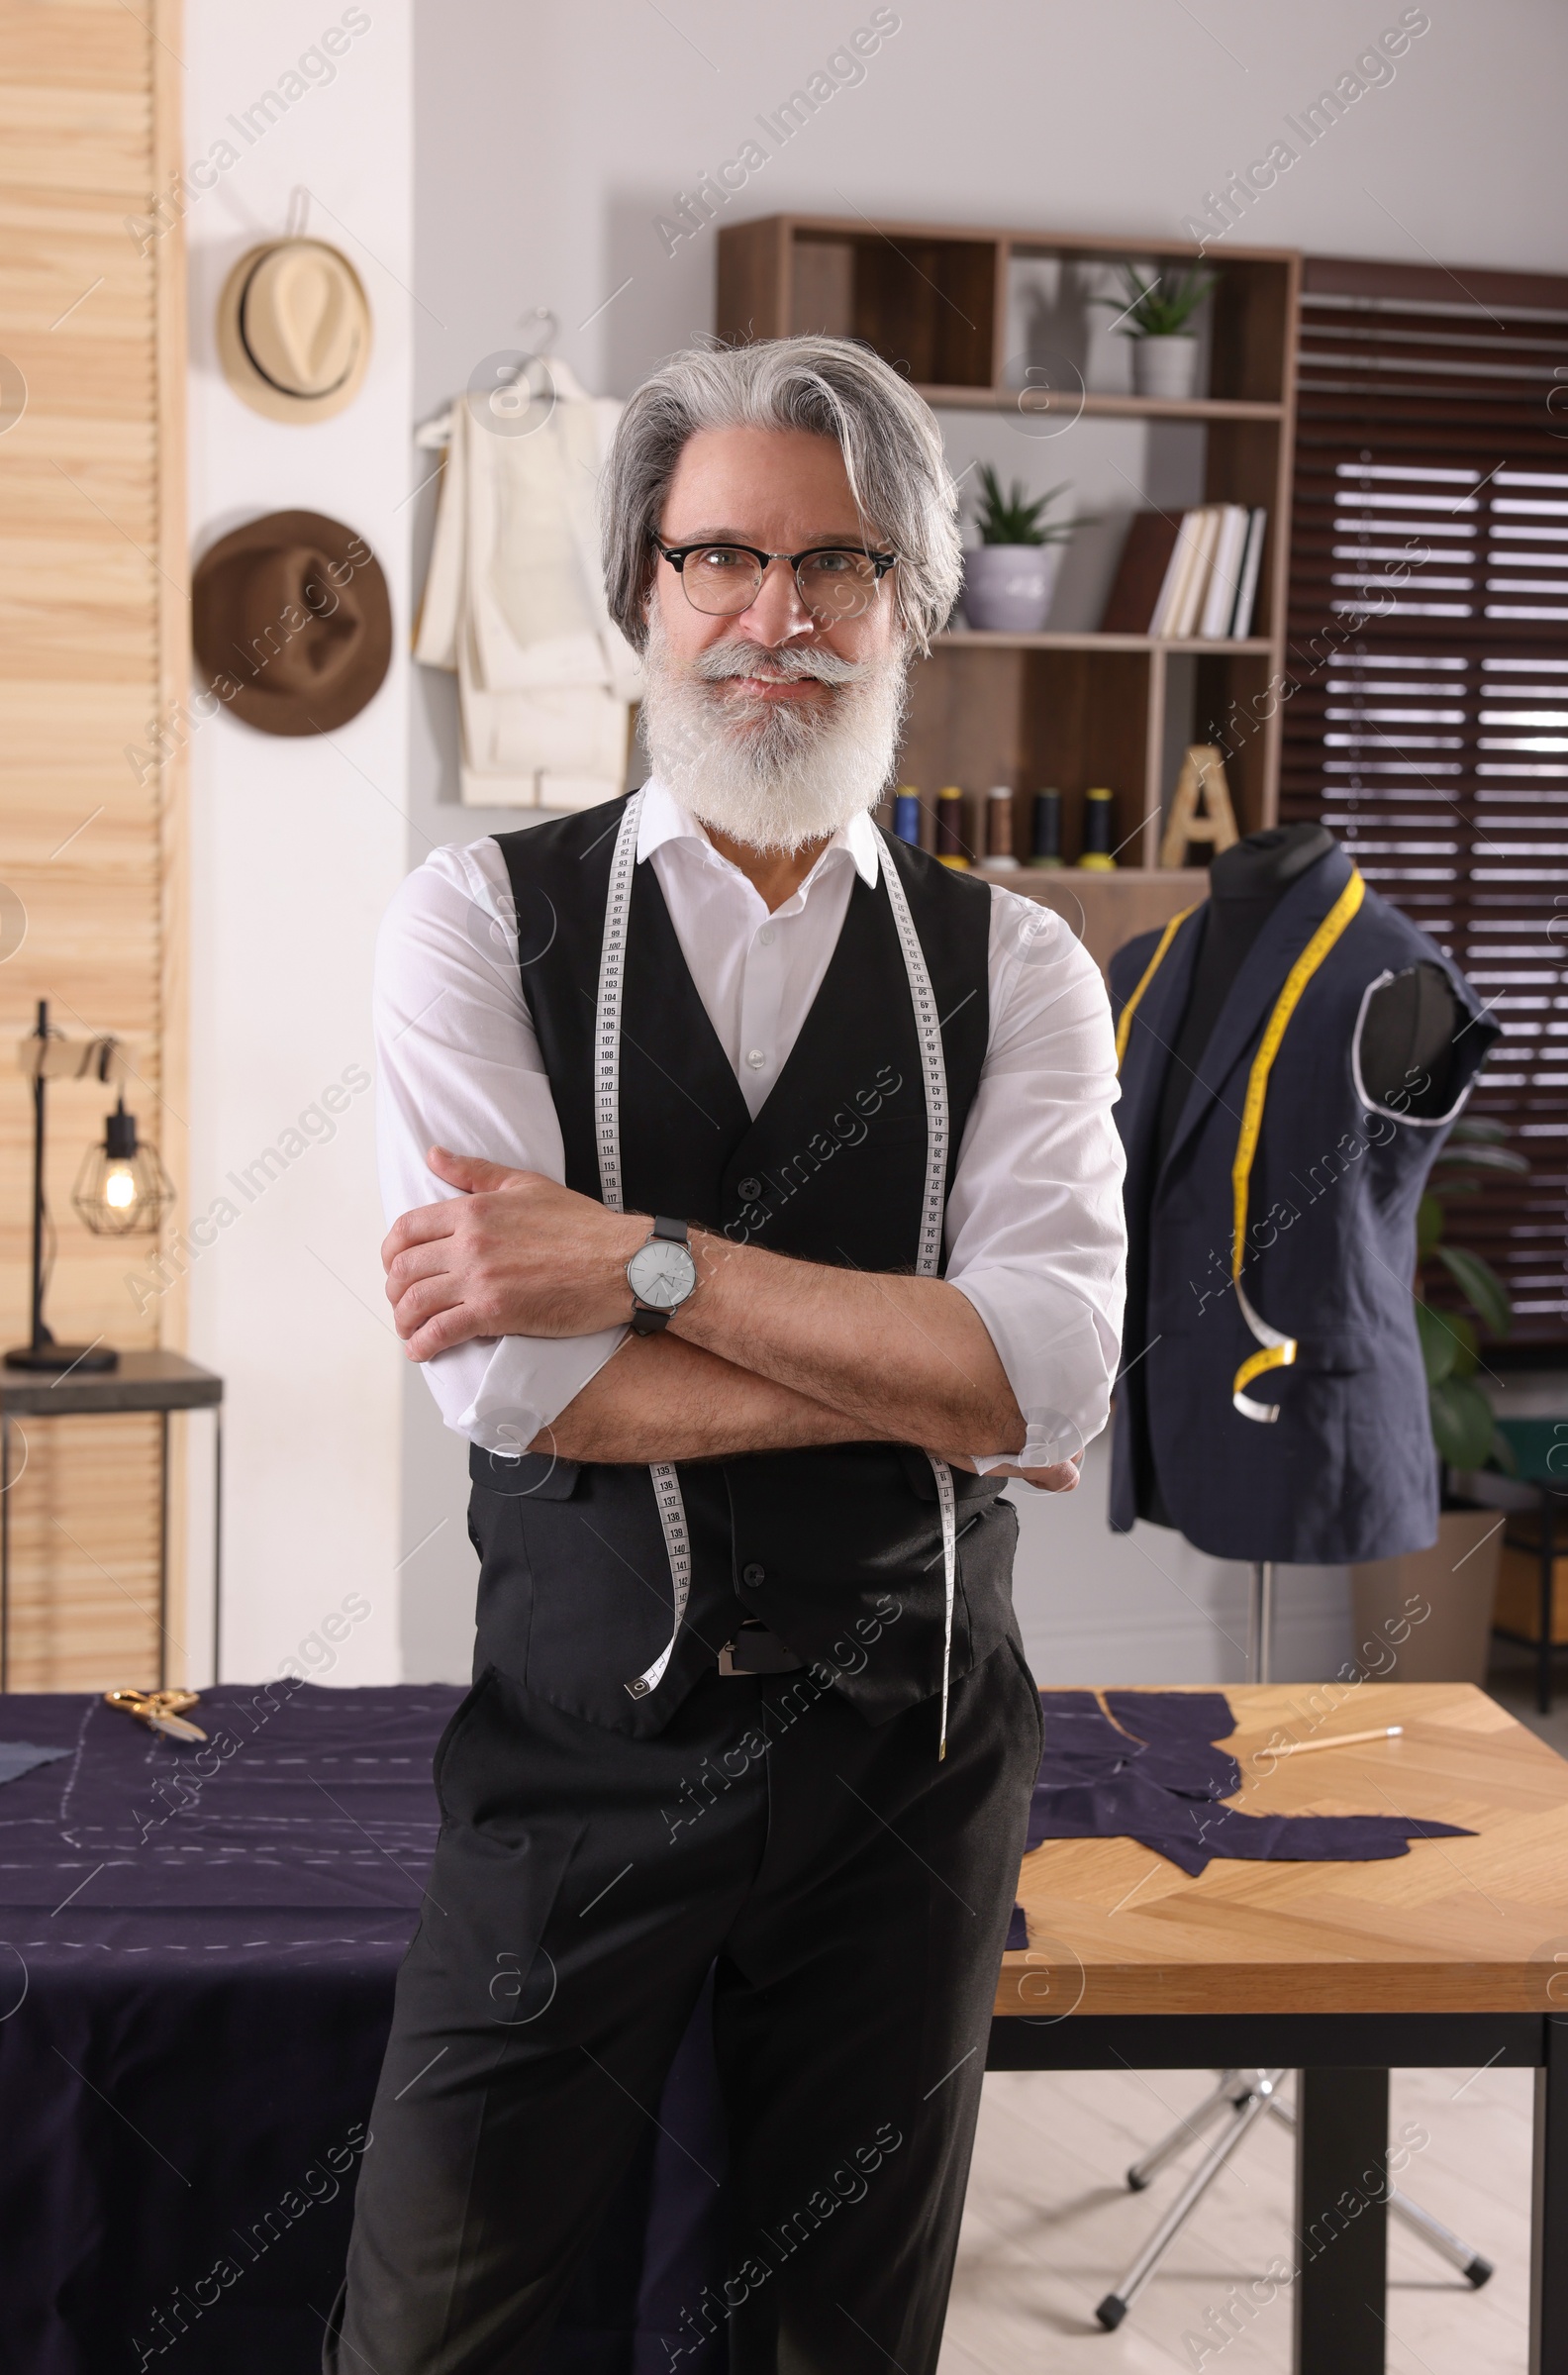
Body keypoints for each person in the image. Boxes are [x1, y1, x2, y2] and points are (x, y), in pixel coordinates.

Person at [329, 334, 1127, 2375]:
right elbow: (507, 1387)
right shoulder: (468, 921)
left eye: (840, 565)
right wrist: (928, 1388)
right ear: (637, 599)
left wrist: (639, 1263)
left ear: (910, 615)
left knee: (830, 2354)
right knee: (438, 2332)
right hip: (576, 1769)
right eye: (718, 561)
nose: (776, 619)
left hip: (908, 1774)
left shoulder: (1017, 966)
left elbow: (1053, 1374)